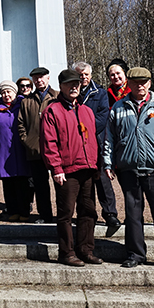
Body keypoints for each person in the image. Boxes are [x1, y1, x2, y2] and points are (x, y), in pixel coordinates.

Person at [104, 67, 154, 271]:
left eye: (144, 82)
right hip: (129, 169)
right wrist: (108, 162)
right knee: (132, 215)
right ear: (128, 84)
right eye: (135, 82)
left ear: (150, 83)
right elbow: (109, 139)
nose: (140, 85)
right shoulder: (118, 108)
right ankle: (135, 254)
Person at [41, 70, 101, 266]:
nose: (74, 87)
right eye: (69, 84)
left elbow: (92, 140)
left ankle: (85, 250)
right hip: (66, 171)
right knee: (66, 213)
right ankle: (66, 252)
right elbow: (49, 142)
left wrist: (96, 165)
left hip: (87, 168)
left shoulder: (86, 111)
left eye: (77, 83)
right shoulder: (53, 110)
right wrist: (56, 168)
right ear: (62, 86)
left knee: (88, 211)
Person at [74, 61, 121, 232]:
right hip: (77, 143)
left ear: (91, 75)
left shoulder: (100, 93)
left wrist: (85, 129)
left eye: (86, 74)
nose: (83, 77)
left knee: (102, 179)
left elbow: (103, 116)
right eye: (80, 74)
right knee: (84, 181)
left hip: (96, 140)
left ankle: (110, 214)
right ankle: (87, 215)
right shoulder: (73, 92)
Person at [0, 80, 30, 222]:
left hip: (20, 151)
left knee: (22, 183)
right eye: (3, 92)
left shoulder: (23, 105)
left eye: (9, 92)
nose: (6, 95)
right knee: (8, 184)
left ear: (15, 92)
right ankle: (13, 211)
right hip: (3, 152)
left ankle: (24, 212)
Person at [17, 66, 59, 223]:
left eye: (41, 77)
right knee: (40, 186)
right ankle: (45, 215)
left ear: (48, 78)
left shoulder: (57, 97)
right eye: (35, 78)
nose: (38, 80)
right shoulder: (27, 101)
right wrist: (27, 141)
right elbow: (20, 124)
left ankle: (62, 215)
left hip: (56, 150)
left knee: (60, 184)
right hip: (35, 150)